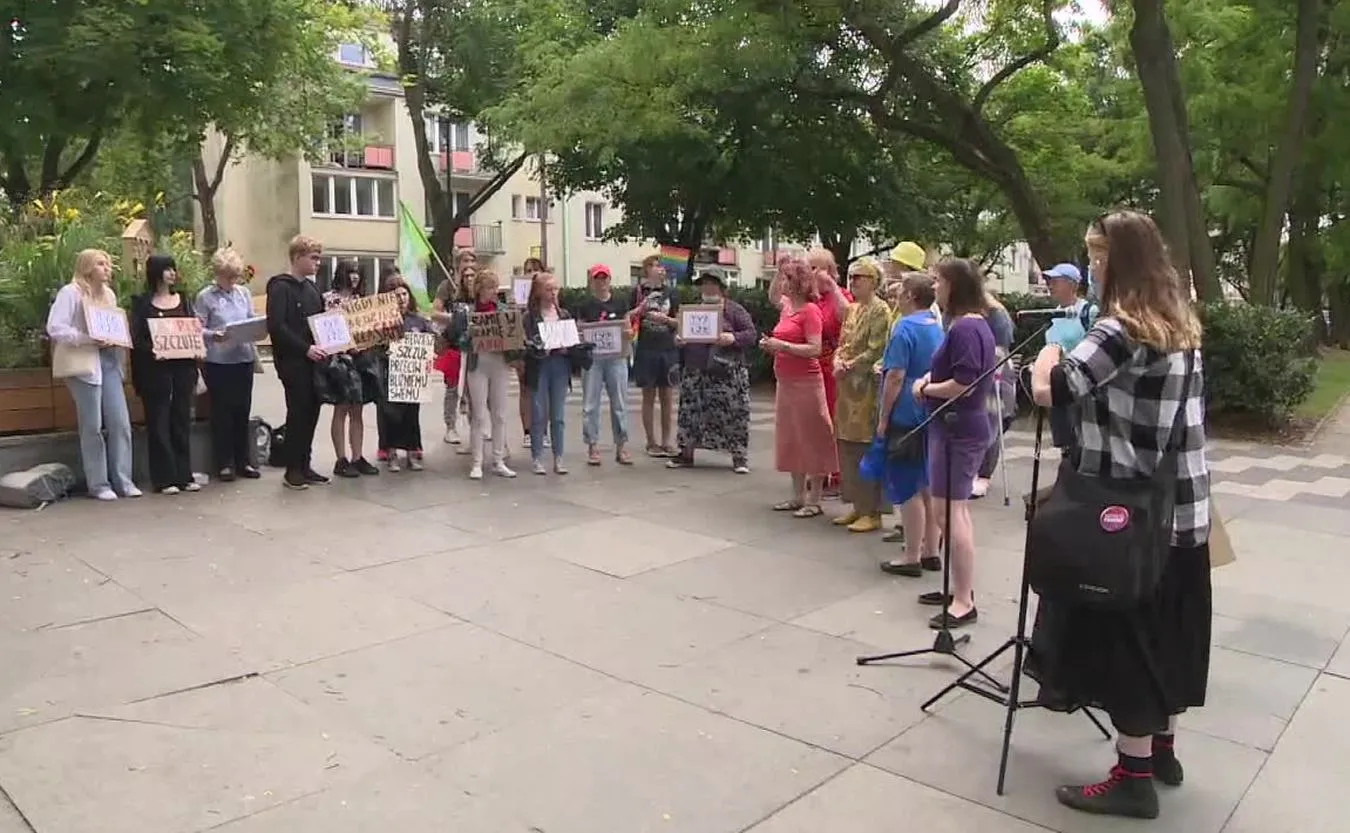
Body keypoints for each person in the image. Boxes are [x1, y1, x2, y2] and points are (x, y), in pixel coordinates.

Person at [1026, 211, 1211, 820]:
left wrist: (1044, 360)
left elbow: (1058, 389)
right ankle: (1162, 751)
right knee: (1169, 635)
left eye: (1096, 255)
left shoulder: (1120, 327)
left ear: (1117, 260)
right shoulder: (1180, 322)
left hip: (1126, 513)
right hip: (1182, 510)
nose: (1091, 267)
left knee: (1126, 641)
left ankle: (1132, 777)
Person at [911, 258, 996, 629]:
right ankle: (958, 587)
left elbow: (964, 384)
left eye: (939, 282)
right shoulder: (969, 326)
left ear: (954, 286)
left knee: (951, 512)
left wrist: (927, 387)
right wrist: (931, 378)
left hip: (958, 429)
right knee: (951, 511)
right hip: (956, 427)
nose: (935, 289)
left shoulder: (965, 329)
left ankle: (963, 599)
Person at [45, 249, 141, 501]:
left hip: (108, 361)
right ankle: (99, 483)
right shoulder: (71, 293)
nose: (107, 268)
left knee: (120, 422)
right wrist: (86, 339)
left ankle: (123, 480)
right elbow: (55, 327)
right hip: (83, 363)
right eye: (101, 264)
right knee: (92, 426)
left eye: (108, 264)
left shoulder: (108, 294)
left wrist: (116, 338)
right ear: (87, 267)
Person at [876, 273, 945, 574]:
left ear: (911, 296)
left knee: (908, 486)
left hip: (905, 412)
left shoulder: (904, 327)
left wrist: (882, 418)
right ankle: (931, 550)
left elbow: (895, 376)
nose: (896, 295)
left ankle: (911, 555)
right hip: (929, 411)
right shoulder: (936, 328)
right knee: (927, 484)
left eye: (901, 291)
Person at [761, 256, 838, 517]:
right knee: (791, 438)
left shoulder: (810, 311)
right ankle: (797, 496)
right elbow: (773, 296)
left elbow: (815, 348)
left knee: (812, 437)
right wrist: (777, 270)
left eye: (788, 278)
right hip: (786, 381)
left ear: (800, 283)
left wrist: (782, 346)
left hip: (806, 382)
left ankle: (814, 499)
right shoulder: (787, 308)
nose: (784, 282)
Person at [668, 271, 757, 472]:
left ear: (721, 288)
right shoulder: (692, 311)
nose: (707, 289)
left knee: (734, 413)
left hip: (727, 370)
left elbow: (751, 334)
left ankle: (739, 456)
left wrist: (732, 338)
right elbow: (679, 334)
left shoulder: (734, 310)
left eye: (711, 284)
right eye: (703, 284)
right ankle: (686, 453)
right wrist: (679, 340)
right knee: (690, 414)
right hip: (695, 369)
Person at [129, 254, 201, 495]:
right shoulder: (142, 303)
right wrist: (154, 350)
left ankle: (184, 474)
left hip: (183, 368)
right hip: (155, 370)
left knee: (181, 419)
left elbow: (193, 329)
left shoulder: (184, 301)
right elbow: (137, 338)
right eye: (167, 269)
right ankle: (163, 478)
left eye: (173, 269)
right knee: (158, 421)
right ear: (156, 273)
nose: (172, 273)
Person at [830, 259, 892, 532]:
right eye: (851, 276)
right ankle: (856, 506)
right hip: (846, 390)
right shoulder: (852, 310)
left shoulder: (881, 310)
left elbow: (877, 349)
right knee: (846, 446)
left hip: (867, 390)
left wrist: (850, 365)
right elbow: (842, 343)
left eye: (859, 277)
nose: (853, 281)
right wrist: (837, 362)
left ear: (873, 280)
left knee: (866, 448)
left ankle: (872, 511)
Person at [266, 235, 329, 490]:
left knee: (312, 412)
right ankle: (293, 470)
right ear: (297, 257)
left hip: (315, 360)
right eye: (313, 258)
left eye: (318, 258)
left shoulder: (313, 289)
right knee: (298, 413)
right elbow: (277, 326)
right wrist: (305, 349)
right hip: (293, 361)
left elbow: (322, 321)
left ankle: (305, 464)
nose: (317, 263)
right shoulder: (281, 287)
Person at [196, 247, 261, 482]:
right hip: (219, 361)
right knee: (222, 412)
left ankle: (244, 461)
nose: (233, 281)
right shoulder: (206, 296)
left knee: (242, 410)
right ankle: (224, 463)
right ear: (219, 274)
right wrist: (214, 334)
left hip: (243, 357)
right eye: (229, 276)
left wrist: (256, 328)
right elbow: (197, 328)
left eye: (236, 276)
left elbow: (250, 318)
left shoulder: (242, 293)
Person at [460, 269, 518, 480]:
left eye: (495, 287)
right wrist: (469, 332)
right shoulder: (469, 312)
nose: (494, 291)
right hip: (478, 364)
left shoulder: (503, 310)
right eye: (489, 287)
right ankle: (476, 462)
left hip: (499, 363)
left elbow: (514, 338)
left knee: (500, 414)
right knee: (478, 415)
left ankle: (498, 459)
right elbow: (460, 341)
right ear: (479, 289)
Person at [323, 260, 378, 477]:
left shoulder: (361, 301)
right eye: (350, 272)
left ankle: (357, 456)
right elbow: (327, 330)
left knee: (358, 409)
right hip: (341, 360)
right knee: (341, 408)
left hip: (361, 360)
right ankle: (341, 458)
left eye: (357, 273)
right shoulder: (330, 299)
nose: (354, 277)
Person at [576, 264, 633, 466]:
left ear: (609, 280)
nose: (601, 282)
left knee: (619, 403)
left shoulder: (620, 302)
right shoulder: (585, 304)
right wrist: (582, 334)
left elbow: (627, 325)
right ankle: (593, 445)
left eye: (604, 278)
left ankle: (622, 445)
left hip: (616, 357)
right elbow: (579, 329)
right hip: (593, 359)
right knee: (590, 404)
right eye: (597, 279)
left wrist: (628, 333)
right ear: (592, 282)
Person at [376, 275, 434, 472]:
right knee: (392, 416)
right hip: (391, 375)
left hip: (412, 378)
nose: (401, 299)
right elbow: (375, 348)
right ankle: (391, 454)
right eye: (396, 295)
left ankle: (411, 453)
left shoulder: (418, 320)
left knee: (411, 416)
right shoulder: (384, 322)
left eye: (404, 294)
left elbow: (432, 342)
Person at [630, 254, 679, 456]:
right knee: (648, 395)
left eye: (662, 266)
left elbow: (680, 321)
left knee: (667, 396)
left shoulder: (672, 293)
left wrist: (666, 320)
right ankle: (651, 442)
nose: (660, 269)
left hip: (667, 348)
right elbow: (629, 316)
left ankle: (667, 441)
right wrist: (642, 309)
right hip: (646, 348)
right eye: (656, 266)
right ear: (647, 270)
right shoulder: (638, 292)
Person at [524, 272, 573, 474]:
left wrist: (567, 347)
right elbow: (525, 341)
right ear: (538, 292)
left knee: (558, 415)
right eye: (548, 289)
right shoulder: (530, 317)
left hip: (559, 363)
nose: (553, 293)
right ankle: (537, 457)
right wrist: (536, 347)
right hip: (540, 365)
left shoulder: (564, 314)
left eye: (555, 288)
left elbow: (572, 341)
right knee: (538, 412)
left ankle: (558, 457)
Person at [971, 291, 1016, 499]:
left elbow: (1001, 348)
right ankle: (975, 472)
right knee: (981, 422)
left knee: (991, 423)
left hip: (994, 374)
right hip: (978, 372)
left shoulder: (996, 315)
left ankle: (984, 475)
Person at [433, 249, 476, 446]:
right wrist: (455, 317)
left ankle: (474, 426)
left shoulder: (478, 285)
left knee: (474, 388)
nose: (469, 264)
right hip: (454, 344)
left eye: (472, 260)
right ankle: (450, 426)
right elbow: (435, 312)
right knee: (452, 388)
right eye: (465, 260)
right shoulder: (447, 287)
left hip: (475, 345)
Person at [374, 264, 403, 461]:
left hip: (403, 360)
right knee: (384, 404)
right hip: (383, 359)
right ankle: (384, 444)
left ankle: (409, 443)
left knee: (407, 403)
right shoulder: (377, 309)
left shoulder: (406, 305)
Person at [518, 256, 545, 443]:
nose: (532, 274)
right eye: (528, 270)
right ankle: (527, 431)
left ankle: (543, 431)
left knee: (544, 391)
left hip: (544, 347)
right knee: (525, 389)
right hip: (525, 345)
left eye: (536, 269)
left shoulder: (549, 295)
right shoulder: (519, 294)